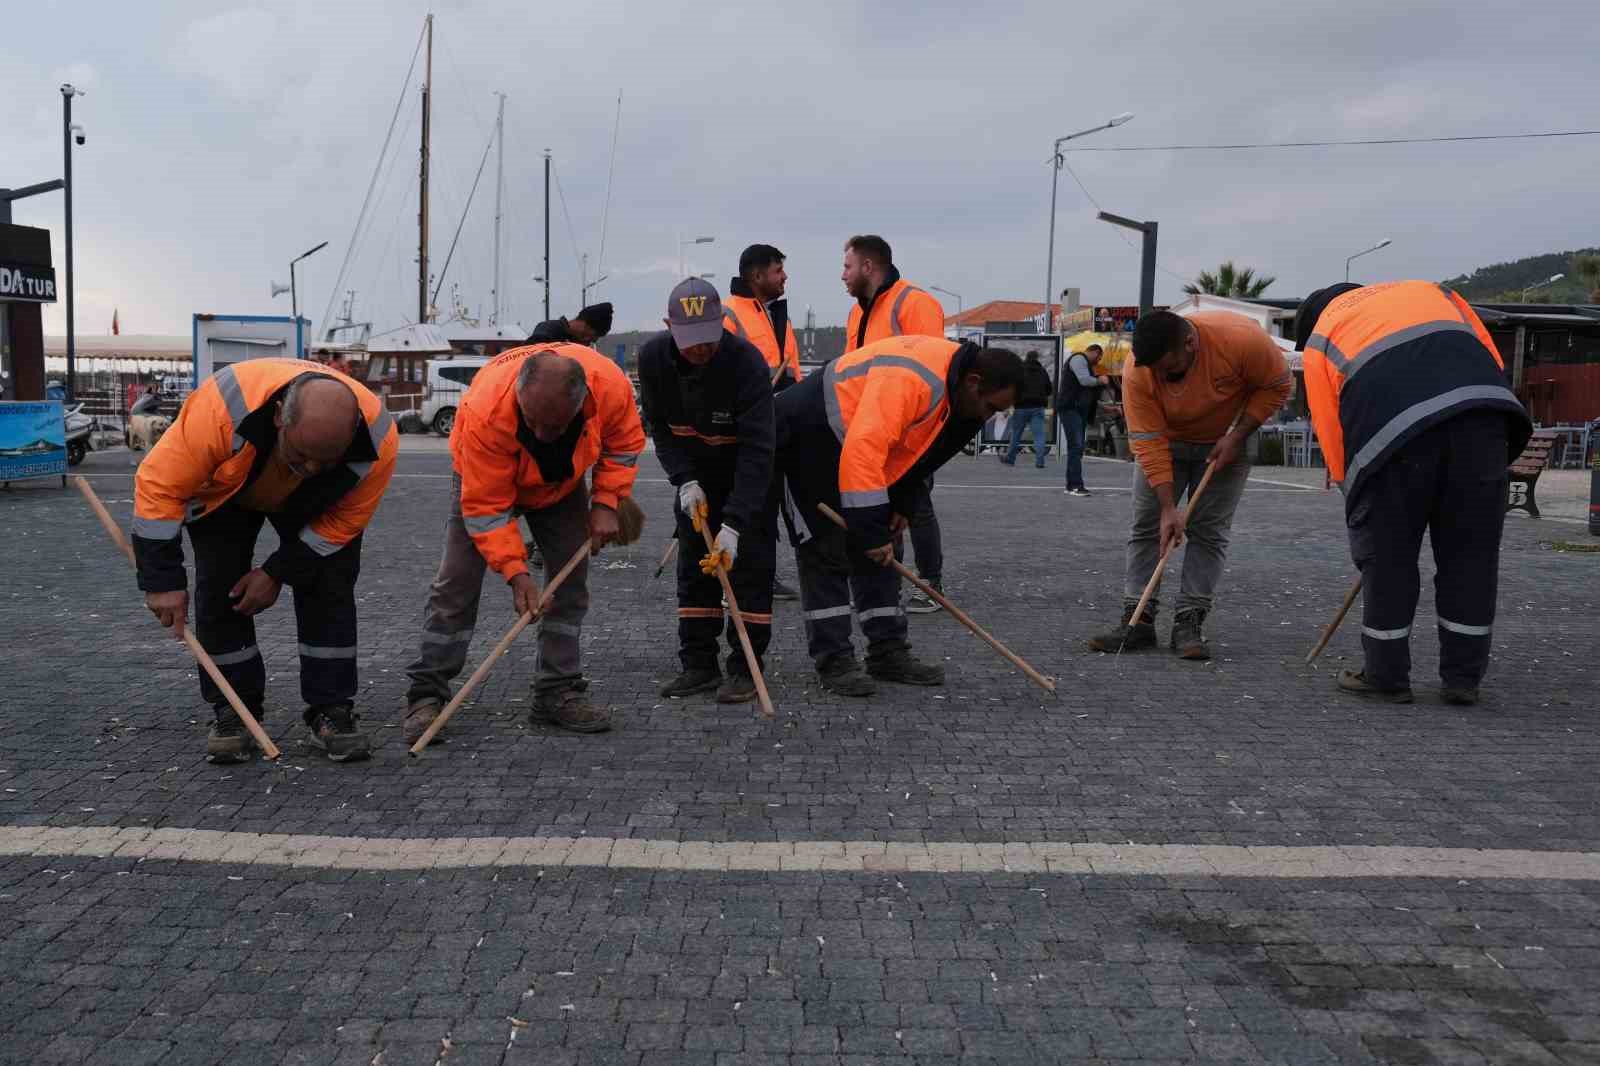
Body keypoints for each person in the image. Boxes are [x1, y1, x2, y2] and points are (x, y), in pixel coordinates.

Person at [132, 360, 398, 763]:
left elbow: (339, 526)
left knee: (330, 586)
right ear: (279, 418)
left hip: (318, 505)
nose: (309, 468)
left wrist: (276, 572)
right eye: (301, 454)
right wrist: (162, 580)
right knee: (222, 591)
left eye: (323, 461)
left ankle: (332, 708)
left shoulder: (378, 441)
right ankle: (235, 711)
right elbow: (159, 487)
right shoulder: (220, 410)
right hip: (228, 488)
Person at [1294, 281, 1531, 705]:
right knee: (1470, 558)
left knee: (1389, 562)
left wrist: (1357, 498)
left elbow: (1332, 432)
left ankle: (1385, 675)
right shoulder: (1435, 292)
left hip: (1393, 441)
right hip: (1485, 420)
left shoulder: (1322, 336)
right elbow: (1492, 360)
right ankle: (1462, 680)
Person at [401, 341, 645, 742]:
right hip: (485, 483)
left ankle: (557, 690)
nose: (542, 433)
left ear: (583, 401)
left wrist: (605, 502)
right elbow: (487, 508)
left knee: (569, 582)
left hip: (562, 485)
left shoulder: (609, 386)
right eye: (533, 422)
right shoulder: (485, 411)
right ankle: (426, 693)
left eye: (555, 426)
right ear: (518, 394)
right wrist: (517, 575)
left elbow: (623, 446)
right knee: (456, 585)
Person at [776, 334, 1022, 695]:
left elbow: (919, 452)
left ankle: (887, 652)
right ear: (975, 383)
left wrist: (901, 505)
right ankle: (835, 661)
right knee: (826, 551)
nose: (989, 417)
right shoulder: (913, 380)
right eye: (990, 407)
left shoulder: (961, 396)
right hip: (807, 440)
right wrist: (870, 534)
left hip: (855, 446)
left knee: (886, 549)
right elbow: (865, 451)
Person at [1086, 311, 1292, 660]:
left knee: (1209, 531)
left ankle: (1189, 622)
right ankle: (1139, 618)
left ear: (1191, 343)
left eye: (1172, 369)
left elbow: (1278, 386)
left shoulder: (1243, 341)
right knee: (1148, 526)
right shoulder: (1139, 370)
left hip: (1227, 439)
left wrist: (1239, 434)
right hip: (1167, 442)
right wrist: (1168, 508)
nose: (1164, 379)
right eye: (1158, 373)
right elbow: (1148, 442)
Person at [640, 278, 777, 702]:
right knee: (694, 573)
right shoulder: (653, 359)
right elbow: (661, 429)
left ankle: (745, 668)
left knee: (748, 571)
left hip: (746, 476)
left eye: (708, 339)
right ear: (668, 325)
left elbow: (758, 451)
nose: (701, 349)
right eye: (690, 341)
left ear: (722, 323)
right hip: (696, 480)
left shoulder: (746, 363)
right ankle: (698, 665)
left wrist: (735, 524)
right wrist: (684, 479)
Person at [840, 234, 949, 613]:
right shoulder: (857, 313)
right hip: (870, 427)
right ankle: (887, 588)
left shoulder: (915, 303)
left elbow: (934, 367)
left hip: (911, 430)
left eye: (847, 266)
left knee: (915, 505)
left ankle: (930, 582)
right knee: (879, 507)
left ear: (868, 267)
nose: (843, 275)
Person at [722, 243, 802, 601]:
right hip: (749, 430)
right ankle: (737, 581)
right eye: (777, 271)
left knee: (775, 508)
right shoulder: (730, 314)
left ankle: (764, 577)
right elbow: (721, 374)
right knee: (750, 506)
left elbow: (792, 370)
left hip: (783, 424)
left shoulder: (777, 316)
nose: (784, 276)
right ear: (756, 276)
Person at [1058, 344, 1109, 495]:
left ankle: (1071, 484)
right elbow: (1084, 380)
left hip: (1076, 410)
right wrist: (1100, 380)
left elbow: (1087, 394)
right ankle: (1075, 485)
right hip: (1070, 408)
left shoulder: (1086, 364)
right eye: (1099, 357)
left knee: (1076, 448)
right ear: (1094, 352)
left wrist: (1105, 408)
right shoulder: (1079, 359)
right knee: (1076, 446)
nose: (1099, 361)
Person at [1002, 350, 1054, 468]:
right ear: (1037, 358)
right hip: (1037, 407)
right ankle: (1040, 461)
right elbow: (1049, 389)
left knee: (1016, 434)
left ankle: (1010, 459)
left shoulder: (1019, 371)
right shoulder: (1042, 371)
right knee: (1039, 435)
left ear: (1026, 357)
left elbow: (1013, 387)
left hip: (1021, 407)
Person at [528, 303, 614, 347]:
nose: (587, 344)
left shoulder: (568, 340)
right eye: (590, 339)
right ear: (584, 325)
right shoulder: (549, 330)